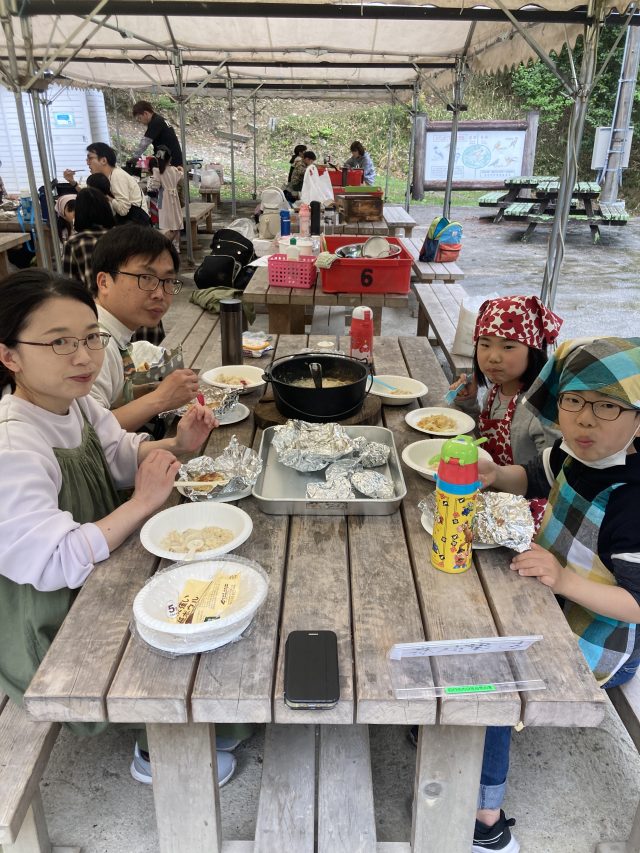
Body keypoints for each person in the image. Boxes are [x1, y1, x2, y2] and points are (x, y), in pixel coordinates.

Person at [0, 269, 239, 787]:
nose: (83, 357)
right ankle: (157, 751)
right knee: (183, 640)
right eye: (59, 342)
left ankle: (197, 718)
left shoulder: (78, 403)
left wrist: (177, 445)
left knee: (217, 596)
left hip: (101, 566)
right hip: (53, 614)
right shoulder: (13, 445)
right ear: (9, 356)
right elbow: (54, 560)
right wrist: (142, 503)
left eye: (90, 338)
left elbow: (118, 455)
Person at [471, 336, 640, 853]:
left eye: (607, 406)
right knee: (464, 608)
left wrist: (565, 581)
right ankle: (459, 727)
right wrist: (497, 474)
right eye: (574, 400)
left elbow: (636, 606)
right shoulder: (575, 451)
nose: (585, 419)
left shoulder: (631, 501)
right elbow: (533, 479)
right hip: (550, 596)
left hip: (598, 636)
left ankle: (485, 821)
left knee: (495, 680)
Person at [450, 295, 563, 529]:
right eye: (485, 344)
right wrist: (469, 403)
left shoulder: (542, 409)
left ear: (534, 350)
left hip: (524, 517)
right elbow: (483, 440)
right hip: (490, 495)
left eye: (508, 346)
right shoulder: (496, 390)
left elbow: (554, 478)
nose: (493, 357)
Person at [89, 226, 200, 431]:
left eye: (168, 281)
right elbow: (89, 435)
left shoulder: (112, 332)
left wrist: (153, 389)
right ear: (104, 282)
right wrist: (161, 398)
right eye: (146, 278)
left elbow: (111, 397)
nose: (159, 294)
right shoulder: (94, 342)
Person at [64, 143, 150, 226]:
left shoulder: (117, 176)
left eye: (90, 158)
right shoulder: (107, 177)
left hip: (137, 224)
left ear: (103, 160)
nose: (87, 162)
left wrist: (106, 196)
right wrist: (72, 181)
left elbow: (123, 210)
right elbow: (89, 193)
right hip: (129, 222)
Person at [62, 187, 115, 291]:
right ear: (106, 209)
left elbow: (69, 284)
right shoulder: (121, 237)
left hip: (90, 298)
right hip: (123, 298)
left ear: (79, 213)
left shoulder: (75, 242)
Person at [147, 145, 182, 251]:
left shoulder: (158, 171)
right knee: (176, 221)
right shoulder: (174, 170)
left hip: (163, 198)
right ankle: (176, 246)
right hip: (174, 197)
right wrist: (181, 169)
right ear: (169, 159)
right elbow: (180, 175)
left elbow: (155, 186)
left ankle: (166, 245)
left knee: (165, 222)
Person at [131, 100, 183, 168]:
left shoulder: (156, 122)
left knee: (141, 166)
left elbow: (144, 143)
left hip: (171, 162)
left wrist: (134, 158)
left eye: (139, 118)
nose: (140, 121)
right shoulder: (159, 119)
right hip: (170, 157)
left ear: (145, 113)